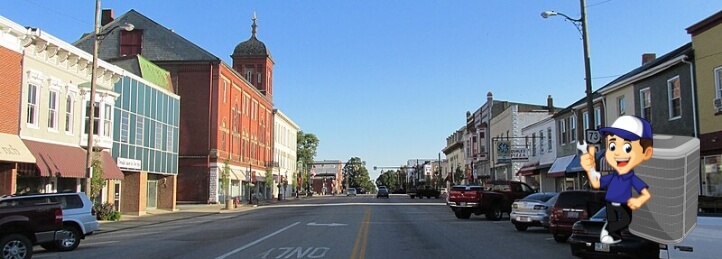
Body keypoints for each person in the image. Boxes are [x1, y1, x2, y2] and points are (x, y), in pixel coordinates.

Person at [580, 115, 653, 244]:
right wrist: (590, 169)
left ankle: (609, 232)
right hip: (610, 202)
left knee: (626, 220)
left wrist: (638, 200)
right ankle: (612, 234)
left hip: (624, 203)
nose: (618, 153)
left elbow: (645, 193)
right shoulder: (614, 175)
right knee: (616, 221)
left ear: (646, 153)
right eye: (612, 146)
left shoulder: (632, 177)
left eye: (627, 148)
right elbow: (596, 183)